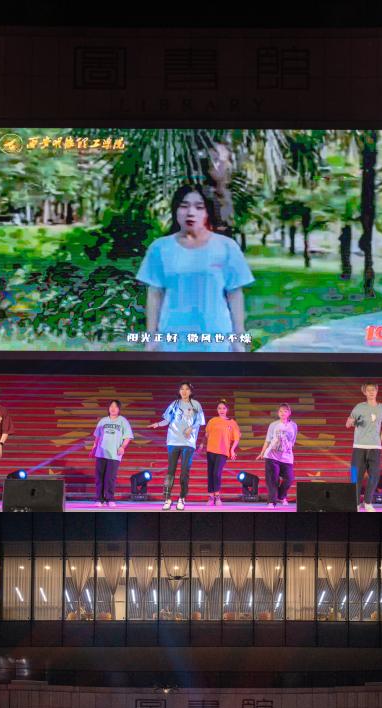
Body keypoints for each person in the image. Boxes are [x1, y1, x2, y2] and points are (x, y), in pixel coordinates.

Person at [136, 184, 255, 352]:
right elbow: (155, 294)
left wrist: (238, 339)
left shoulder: (227, 247)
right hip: (172, 339)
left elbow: (234, 294)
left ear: (208, 212)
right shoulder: (160, 248)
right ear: (175, 210)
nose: (190, 213)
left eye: (199, 207)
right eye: (184, 206)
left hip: (216, 339)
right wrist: (151, 338)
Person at [149, 382, 205, 510]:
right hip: (173, 441)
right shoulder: (174, 404)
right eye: (182, 389)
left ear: (191, 391)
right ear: (179, 391)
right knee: (170, 471)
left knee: (185, 471)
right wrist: (157, 424)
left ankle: (182, 498)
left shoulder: (196, 404)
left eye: (187, 389)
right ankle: (167, 498)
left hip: (188, 443)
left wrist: (191, 428)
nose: (184, 391)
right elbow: (167, 420)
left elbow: (199, 422)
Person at [347, 384, 382, 511]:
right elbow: (348, 423)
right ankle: (356, 503)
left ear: (377, 391)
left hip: (375, 446)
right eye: (368, 390)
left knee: (374, 476)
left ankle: (367, 502)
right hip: (359, 446)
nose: (371, 392)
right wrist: (350, 422)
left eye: (373, 390)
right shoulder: (359, 407)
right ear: (364, 392)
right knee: (356, 476)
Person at [87, 400, 133, 507]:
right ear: (108, 408)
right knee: (100, 477)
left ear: (119, 409)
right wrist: (93, 448)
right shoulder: (103, 421)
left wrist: (122, 447)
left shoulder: (123, 421)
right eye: (111, 406)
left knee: (110, 478)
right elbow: (97, 437)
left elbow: (127, 437)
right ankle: (99, 499)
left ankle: (110, 499)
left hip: (114, 454)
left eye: (116, 407)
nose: (113, 408)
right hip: (101, 453)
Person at [259, 403, 298, 508]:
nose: (283, 413)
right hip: (272, 456)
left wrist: (287, 448)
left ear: (289, 413)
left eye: (285, 411)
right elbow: (268, 440)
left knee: (289, 479)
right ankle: (272, 501)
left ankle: (280, 496)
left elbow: (293, 440)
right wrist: (262, 452)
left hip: (286, 457)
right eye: (280, 411)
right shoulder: (273, 425)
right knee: (272, 480)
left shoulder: (293, 425)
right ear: (278, 413)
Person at [203, 399, 240, 505]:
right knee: (210, 473)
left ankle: (217, 496)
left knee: (216, 473)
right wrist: (203, 444)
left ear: (227, 409)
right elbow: (207, 434)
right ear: (217, 410)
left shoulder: (232, 423)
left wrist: (232, 450)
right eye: (219, 408)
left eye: (223, 408)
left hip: (223, 451)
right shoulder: (212, 421)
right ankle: (211, 496)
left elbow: (236, 438)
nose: (221, 410)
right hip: (211, 450)